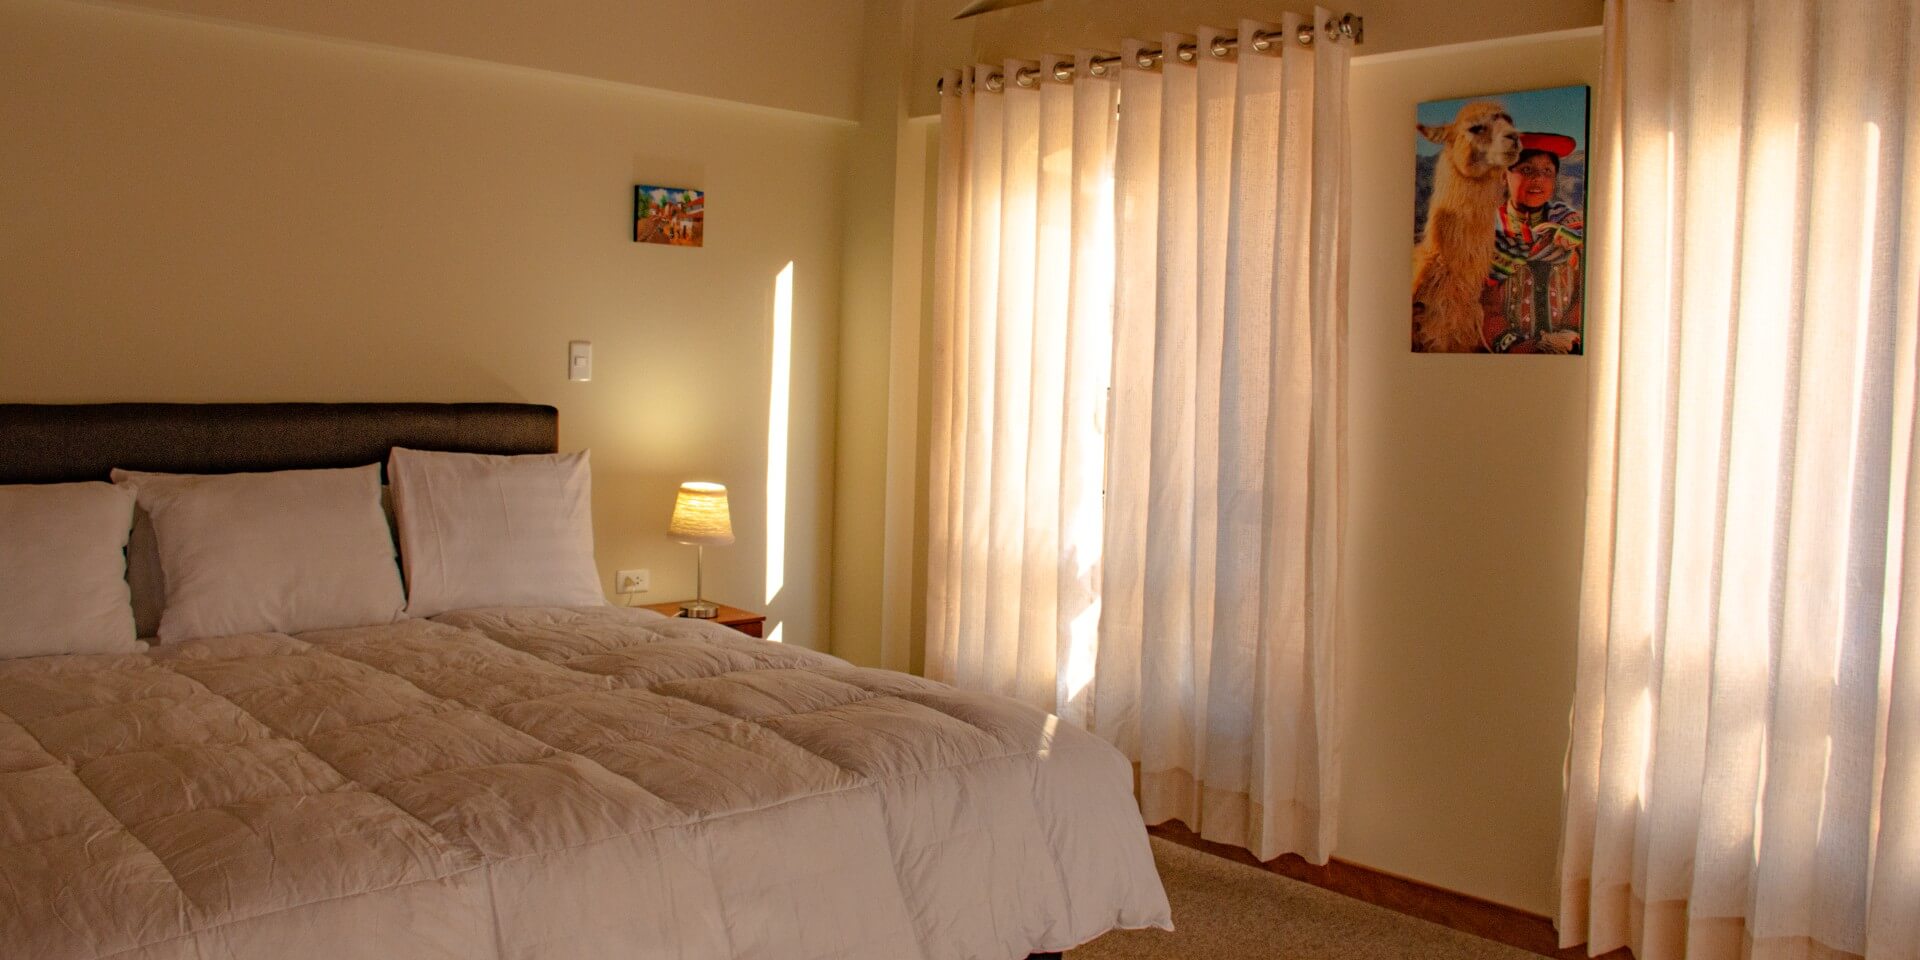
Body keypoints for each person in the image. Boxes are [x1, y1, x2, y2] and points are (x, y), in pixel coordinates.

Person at [1481, 131, 1583, 354]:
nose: (1538, 178)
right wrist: (1524, 349)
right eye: (1526, 169)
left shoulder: (1572, 231)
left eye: (1547, 171)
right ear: (1503, 175)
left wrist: (1568, 336)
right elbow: (1486, 307)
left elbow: (1582, 293)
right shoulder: (1483, 235)